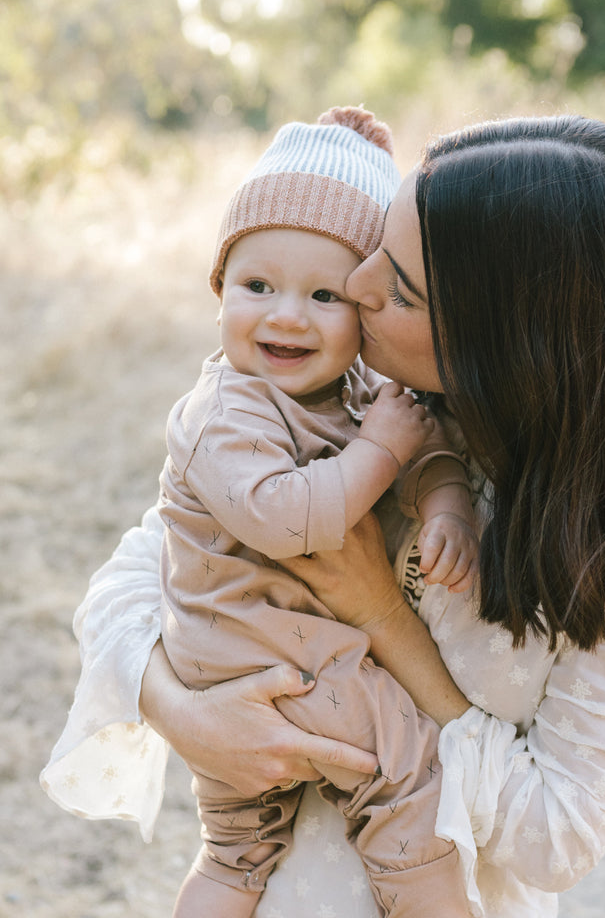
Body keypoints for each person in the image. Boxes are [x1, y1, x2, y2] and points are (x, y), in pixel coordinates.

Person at [41, 113, 605, 918]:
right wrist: (190, 717)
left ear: (502, 341)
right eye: (376, 246)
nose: (359, 284)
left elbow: (558, 838)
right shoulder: (324, 409)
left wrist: (381, 613)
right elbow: (131, 580)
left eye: (401, 287)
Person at [155, 106, 478, 917]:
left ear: (365, 309)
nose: (286, 315)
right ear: (218, 289)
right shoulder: (225, 413)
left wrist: (446, 510)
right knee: (408, 772)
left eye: (324, 294)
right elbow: (283, 519)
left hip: (268, 652)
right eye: (255, 285)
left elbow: (426, 446)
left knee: (236, 857)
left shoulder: (360, 393)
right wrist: (376, 453)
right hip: (256, 662)